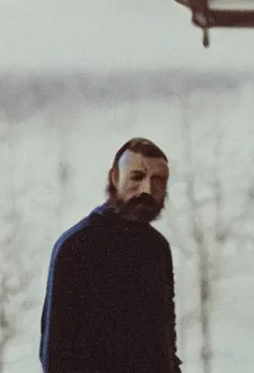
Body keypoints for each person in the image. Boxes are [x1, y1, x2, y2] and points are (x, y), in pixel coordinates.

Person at [39, 137, 182, 373]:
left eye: (158, 181)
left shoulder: (157, 248)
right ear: (115, 178)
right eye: (137, 177)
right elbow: (55, 355)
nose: (147, 189)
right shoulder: (76, 245)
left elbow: (166, 343)